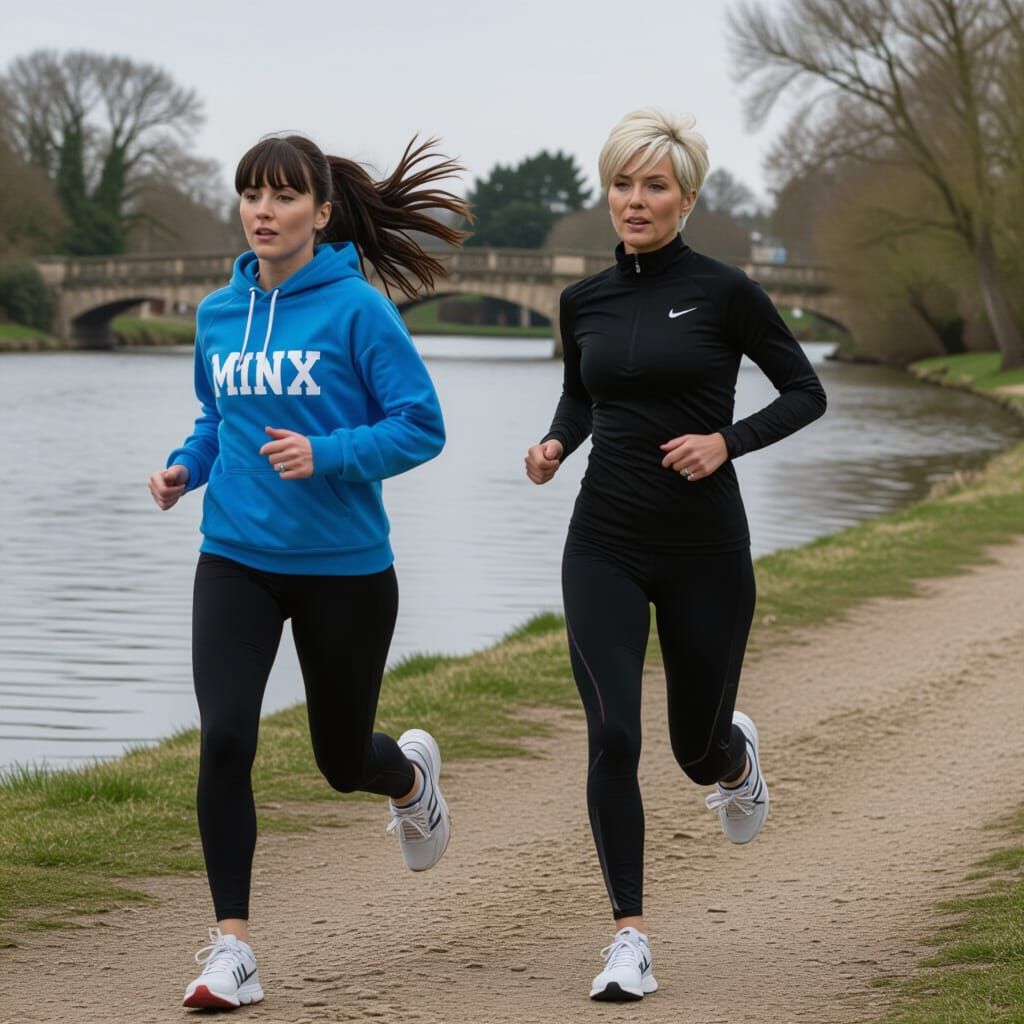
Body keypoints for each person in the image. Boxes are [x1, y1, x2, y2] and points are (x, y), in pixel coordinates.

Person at [148, 133, 468, 1010]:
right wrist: (186, 466)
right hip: (235, 560)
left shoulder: (359, 311)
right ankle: (233, 950)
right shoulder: (219, 313)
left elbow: (421, 425)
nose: (263, 210)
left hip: (346, 570)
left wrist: (327, 452)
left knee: (338, 760)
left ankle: (406, 778)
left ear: (320, 214)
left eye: (284, 196)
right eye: (251, 193)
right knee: (226, 739)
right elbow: (217, 418)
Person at [524, 108, 826, 1001]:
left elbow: (806, 392)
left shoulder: (728, 292)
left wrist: (724, 442)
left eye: (654, 185)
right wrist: (551, 446)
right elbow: (582, 399)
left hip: (705, 549)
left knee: (693, 751)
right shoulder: (582, 301)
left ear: (687, 197)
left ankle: (735, 759)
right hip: (603, 543)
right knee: (614, 734)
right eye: (623, 183)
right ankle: (629, 937)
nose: (635, 200)